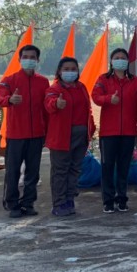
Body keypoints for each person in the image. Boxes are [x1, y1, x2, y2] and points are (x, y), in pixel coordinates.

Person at [0, 44, 50, 218]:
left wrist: (47, 132)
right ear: (19, 59)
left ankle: (28, 203)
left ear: (38, 60)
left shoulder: (43, 82)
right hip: (16, 135)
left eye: (32, 57)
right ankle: (12, 204)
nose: (29, 60)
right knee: (13, 171)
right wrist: (10, 99)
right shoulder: (10, 80)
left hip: (37, 135)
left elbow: (46, 109)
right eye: (25, 57)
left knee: (33, 172)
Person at [92, 48, 137, 214]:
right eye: (117, 57)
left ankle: (122, 199)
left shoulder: (135, 82)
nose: (120, 60)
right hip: (108, 133)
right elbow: (95, 97)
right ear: (111, 61)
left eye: (123, 58)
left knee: (124, 167)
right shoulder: (103, 79)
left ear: (127, 61)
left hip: (128, 132)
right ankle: (108, 200)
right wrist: (109, 99)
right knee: (107, 166)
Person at [44, 57, 95, 217]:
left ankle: (69, 199)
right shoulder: (54, 89)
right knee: (60, 171)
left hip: (81, 136)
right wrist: (56, 104)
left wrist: (91, 128)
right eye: (66, 69)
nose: (70, 72)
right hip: (62, 136)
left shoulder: (81, 87)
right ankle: (59, 203)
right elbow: (49, 103)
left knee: (75, 169)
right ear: (59, 71)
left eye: (73, 69)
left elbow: (88, 109)